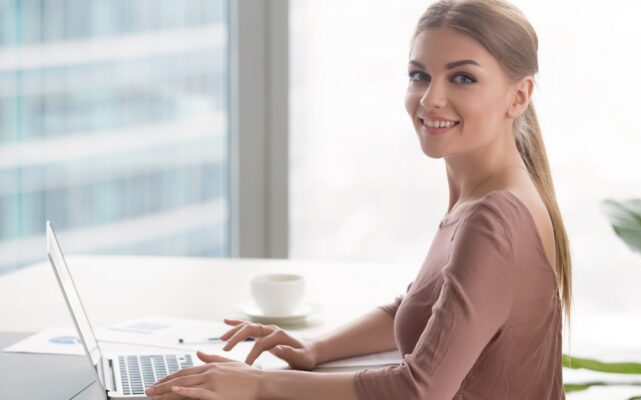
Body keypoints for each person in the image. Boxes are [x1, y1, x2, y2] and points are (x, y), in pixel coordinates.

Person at [146, 0, 571, 398]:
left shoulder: (494, 217)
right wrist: (315, 348)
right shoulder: (482, 191)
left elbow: (420, 389)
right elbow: (423, 309)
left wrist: (259, 385)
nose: (430, 98)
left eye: (462, 77)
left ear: (519, 95)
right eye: (419, 75)